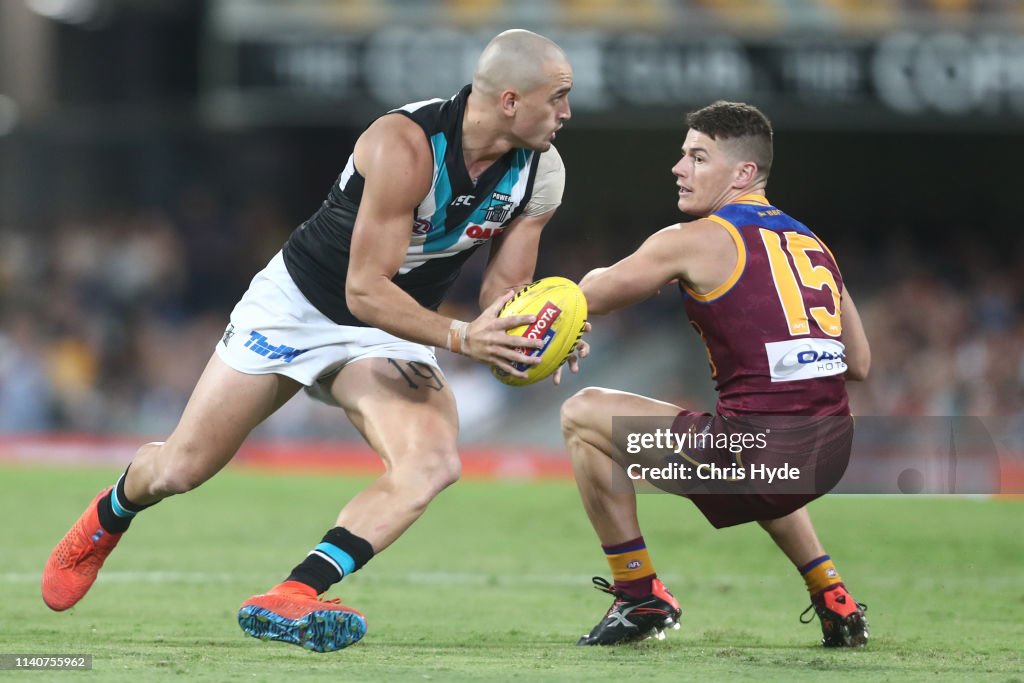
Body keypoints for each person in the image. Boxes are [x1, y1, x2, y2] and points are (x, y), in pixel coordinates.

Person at [42, 29, 579, 653]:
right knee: (182, 468)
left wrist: (541, 334)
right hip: (299, 306)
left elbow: (504, 294)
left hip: (393, 328)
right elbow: (363, 290)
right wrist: (462, 337)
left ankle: (293, 594)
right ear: (511, 100)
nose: (568, 113)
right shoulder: (404, 144)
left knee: (432, 463)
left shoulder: (544, 174)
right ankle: (107, 519)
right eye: (559, 97)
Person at [561, 101, 871, 648]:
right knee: (765, 447)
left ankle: (639, 593)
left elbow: (592, 296)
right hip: (831, 452)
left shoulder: (695, 238)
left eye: (697, 157)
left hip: (756, 456)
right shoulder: (815, 245)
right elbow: (861, 363)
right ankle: (831, 592)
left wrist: (556, 321)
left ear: (743, 173)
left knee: (583, 414)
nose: (679, 168)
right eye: (683, 155)